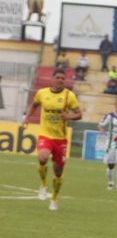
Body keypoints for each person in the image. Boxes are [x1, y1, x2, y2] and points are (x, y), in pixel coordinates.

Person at [23, 67, 82, 210]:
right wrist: (27, 118)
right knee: (42, 157)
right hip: (46, 134)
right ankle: (43, 185)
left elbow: (79, 114)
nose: (61, 80)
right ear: (52, 78)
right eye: (58, 78)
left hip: (60, 138)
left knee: (58, 171)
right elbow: (35, 104)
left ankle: (54, 199)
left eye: (63, 78)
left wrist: (68, 116)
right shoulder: (42, 93)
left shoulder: (69, 96)